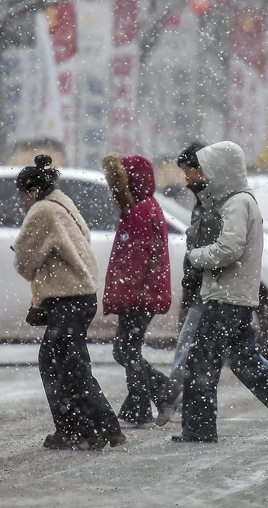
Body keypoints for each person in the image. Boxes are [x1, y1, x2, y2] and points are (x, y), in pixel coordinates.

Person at [175, 141, 268, 443]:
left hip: (227, 296)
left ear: (219, 170)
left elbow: (230, 248)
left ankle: (199, 430)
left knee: (202, 360)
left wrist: (196, 256)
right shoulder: (236, 201)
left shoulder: (236, 203)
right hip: (236, 297)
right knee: (244, 361)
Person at [13, 155, 125, 450]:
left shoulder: (42, 212)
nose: (23, 201)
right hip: (81, 296)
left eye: (23, 195)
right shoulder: (64, 203)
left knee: (66, 365)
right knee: (64, 362)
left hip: (67, 298)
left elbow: (24, 262)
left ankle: (90, 430)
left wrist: (24, 253)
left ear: (32, 191)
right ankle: (93, 429)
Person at [102, 154, 174, 428]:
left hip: (139, 297)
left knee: (125, 351)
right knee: (127, 350)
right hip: (145, 294)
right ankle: (143, 405)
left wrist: (123, 298)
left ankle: (155, 398)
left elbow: (134, 262)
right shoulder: (148, 207)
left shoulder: (139, 213)